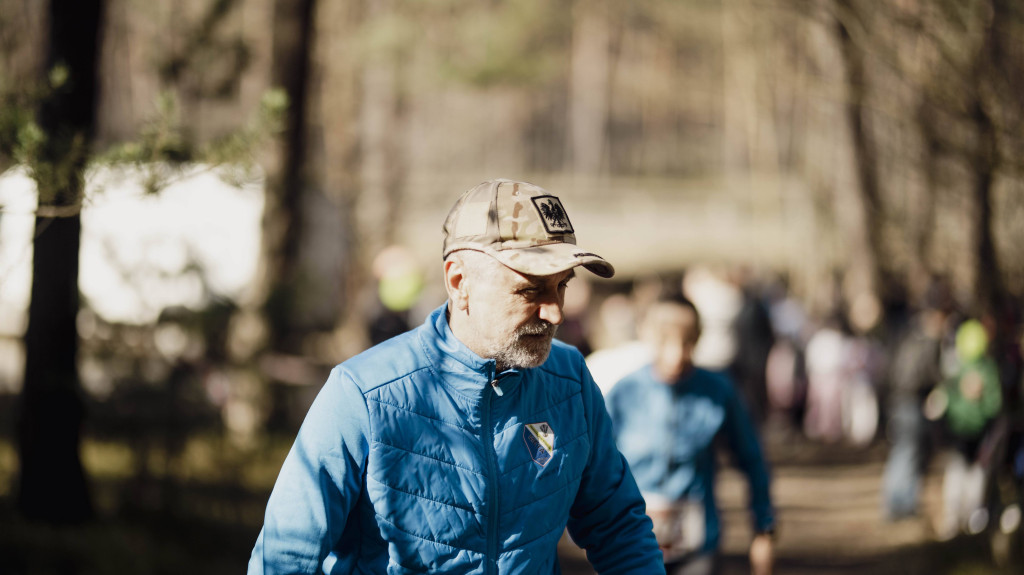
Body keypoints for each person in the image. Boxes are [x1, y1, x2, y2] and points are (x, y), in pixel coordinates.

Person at [248, 179, 665, 574]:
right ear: (459, 282)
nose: (554, 311)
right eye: (531, 289)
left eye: (561, 287)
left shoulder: (569, 377)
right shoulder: (365, 394)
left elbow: (617, 526)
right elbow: (286, 555)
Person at [606, 293, 776, 575]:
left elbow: (752, 459)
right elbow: (597, 469)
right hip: (630, 543)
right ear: (645, 334)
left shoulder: (718, 391)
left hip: (698, 546)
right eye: (665, 341)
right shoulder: (623, 394)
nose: (675, 354)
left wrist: (764, 528)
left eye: (687, 342)